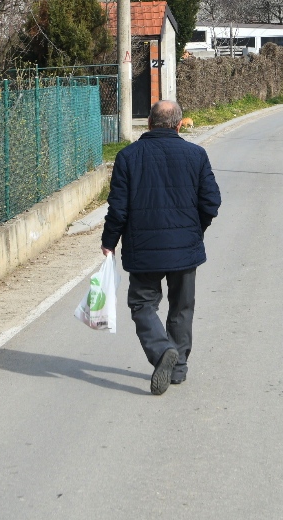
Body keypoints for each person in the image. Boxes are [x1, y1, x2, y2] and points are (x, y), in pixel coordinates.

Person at [101, 99, 221, 395]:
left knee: (142, 305)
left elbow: (118, 209)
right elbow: (211, 202)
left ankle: (162, 350)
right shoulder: (196, 155)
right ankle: (177, 368)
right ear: (179, 124)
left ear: (150, 123)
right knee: (181, 306)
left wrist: (109, 242)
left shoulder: (128, 157)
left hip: (143, 249)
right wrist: (196, 230)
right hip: (186, 249)